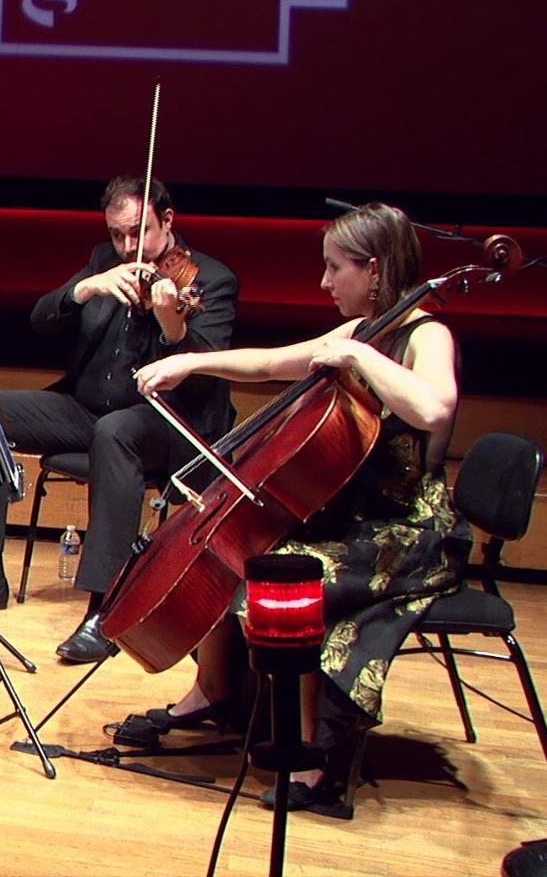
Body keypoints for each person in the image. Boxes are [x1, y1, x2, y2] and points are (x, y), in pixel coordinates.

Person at [131, 202, 470, 810]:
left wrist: (362, 358)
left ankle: (315, 757)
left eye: (334, 268)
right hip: (350, 514)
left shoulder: (425, 335)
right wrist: (190, 361)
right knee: (239, 546)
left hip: (404, 530)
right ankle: (215, 694)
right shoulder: (362, 330)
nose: (323, 282)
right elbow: (270, 363)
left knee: (289, 577)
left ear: (374, 269)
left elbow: (435, 408)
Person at [0, 176, 238, 665]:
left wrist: (171, 323)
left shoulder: (210, 280)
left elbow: (200, 378)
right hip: (87, 408)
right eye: (117, 235)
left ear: (169, 221)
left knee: (115, 433)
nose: (128, 247)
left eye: (138, 233)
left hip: (169, 423)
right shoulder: (103, 262)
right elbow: (41, 319)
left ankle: (105, 607)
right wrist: (84, 289)